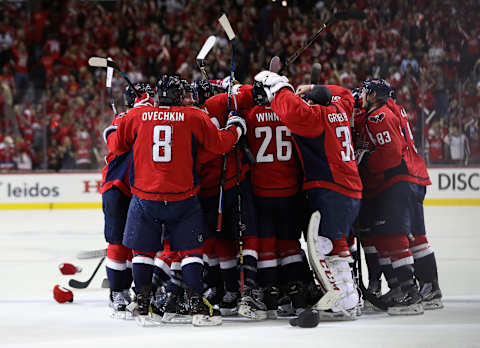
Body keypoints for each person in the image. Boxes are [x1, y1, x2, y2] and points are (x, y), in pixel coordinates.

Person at [104, 74, 246, 326]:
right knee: (191, 251)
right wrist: (236, 127)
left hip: (145, 197)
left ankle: (143, 304)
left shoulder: (137, 116)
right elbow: (221, 145)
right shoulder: (193, 115)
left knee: (143, 252)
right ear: (180, 96)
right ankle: (196, 306)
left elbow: (115, 144)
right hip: (183, 196)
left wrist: (119, 120)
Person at [253, 71, 362, 320]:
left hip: (329, 188)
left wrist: (280, 87)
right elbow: (344, 93)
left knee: (326, 248)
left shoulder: (315, 118)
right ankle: (349, 296)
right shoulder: (340, 108)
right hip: (351, 187)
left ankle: (343, 300)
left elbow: (291, 111)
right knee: (338, 244)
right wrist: (313, 86)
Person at [354, 78, 438, 315]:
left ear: (372, 96)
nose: (360, 97)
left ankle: (409, 292)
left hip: (399, 179)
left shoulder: (379, 116)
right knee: (414, 237)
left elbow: (389, 153)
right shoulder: (393, 108)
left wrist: (366, 160)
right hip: (413, 175)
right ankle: (428, 289)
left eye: (364, 93)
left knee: (394, 237)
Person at [244, 81, 308, 318]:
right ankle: (295, 290)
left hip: (262, 190)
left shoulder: (251, 115)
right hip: (290, 190)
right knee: (289, 244)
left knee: (267, 245)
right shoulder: (287, 113)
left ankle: (270, 292)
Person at [100, 82, 154, 318]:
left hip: (139, 190)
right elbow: (113, 140)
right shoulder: (124, 118)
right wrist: (134, 114)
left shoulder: (150, 118)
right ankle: (117, 291)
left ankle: (136, 289)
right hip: (117, 188)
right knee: (118, 242)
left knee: (138, 243)